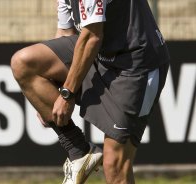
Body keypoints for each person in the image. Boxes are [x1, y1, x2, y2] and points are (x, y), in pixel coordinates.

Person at [11, 0, 170, 183]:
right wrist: (45, 94)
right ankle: (78, 151)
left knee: (115, 168)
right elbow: (65, 33)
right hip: (99, 55)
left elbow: (93, 36)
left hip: (135, 67)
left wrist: (67, 93)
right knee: (24, 63)